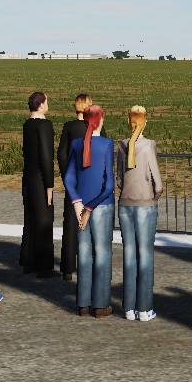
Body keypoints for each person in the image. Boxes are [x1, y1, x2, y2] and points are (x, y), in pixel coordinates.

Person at [65, 103, 116, 318]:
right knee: (102, 253)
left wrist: (77, 203)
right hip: (101, 206)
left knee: (84, 253)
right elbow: (109, 185)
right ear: (100, 120)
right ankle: (100, 305)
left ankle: (83, 304)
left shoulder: (77, 144)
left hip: (80, 207)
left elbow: (69, 178)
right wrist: (88, 208)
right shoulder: (106, 144)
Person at [118, 104, 163, 321]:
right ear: (144, 122)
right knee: (145, 255)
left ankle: (129, 307)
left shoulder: (121, 145)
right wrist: (154, 197)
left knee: (129, 254)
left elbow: (119, 179)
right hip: (146, 204)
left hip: (125, 203)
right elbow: (158, 182)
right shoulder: (149, 145)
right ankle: (144, 308)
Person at [19, 91, 58, 278]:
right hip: (40, 179)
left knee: (30, 219)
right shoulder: (45, 125)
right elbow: (46, 157)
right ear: (41, 105)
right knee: (44, 220)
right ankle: (44, 266)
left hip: (28, 177)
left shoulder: (27, 125)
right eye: (46, 102)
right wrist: (49, 185)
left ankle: (29, 261)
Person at [56, 92, 91, 280]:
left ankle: (68, 268)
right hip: (90, 180)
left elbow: (61, 154)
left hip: (73, 180)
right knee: (91, 220)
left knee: (70, 223)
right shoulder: (95, 127)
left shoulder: (68, 127)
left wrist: (66, 176)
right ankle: (88, 263)